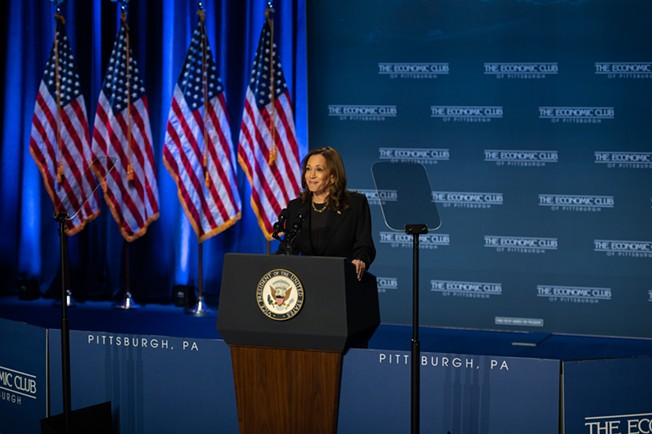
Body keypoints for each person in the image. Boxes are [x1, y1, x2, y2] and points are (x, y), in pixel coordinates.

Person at [275, 146, 376, 280]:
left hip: (341, 279)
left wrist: (360, 260)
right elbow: (288, 247)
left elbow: (365, 246)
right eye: (308, 169)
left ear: (333, 177)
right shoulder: (296, 207)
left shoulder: (355, 204)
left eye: (319, 169)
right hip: (305, 280)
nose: (311, 176)